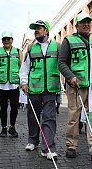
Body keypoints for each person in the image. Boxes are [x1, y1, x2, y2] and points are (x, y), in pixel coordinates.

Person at [58, 12, 92, 162]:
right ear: (77, 25)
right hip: (75, 86)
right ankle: (71, 146)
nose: (86, 24)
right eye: (83, 22)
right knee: (74, 117)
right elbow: (61, 62)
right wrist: (70, 76)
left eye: (88, 22)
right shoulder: (68, 40)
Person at [19, 20, 60, 160]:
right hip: (34, 88)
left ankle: (48, 148)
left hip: (50, 88)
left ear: (46, 30)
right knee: (33, 116)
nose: (36, 31)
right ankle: (32, 140)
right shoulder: (30, 48)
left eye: (39, 28)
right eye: (35, 29)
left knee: (49, 117)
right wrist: (24, 83)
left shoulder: (57, 46)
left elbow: (63, 65)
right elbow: (24, 68)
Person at [0, 31, 23, 138]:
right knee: (3, 107)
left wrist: (20, 79)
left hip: (14, 84)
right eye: (4, 39)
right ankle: (3, 128)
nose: (6, 41)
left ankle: (12, 126)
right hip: (1, 84)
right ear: (2, 40)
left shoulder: (18, 51)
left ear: (12, 40)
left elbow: (21, 65)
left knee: (15, 106)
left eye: (8, 39)